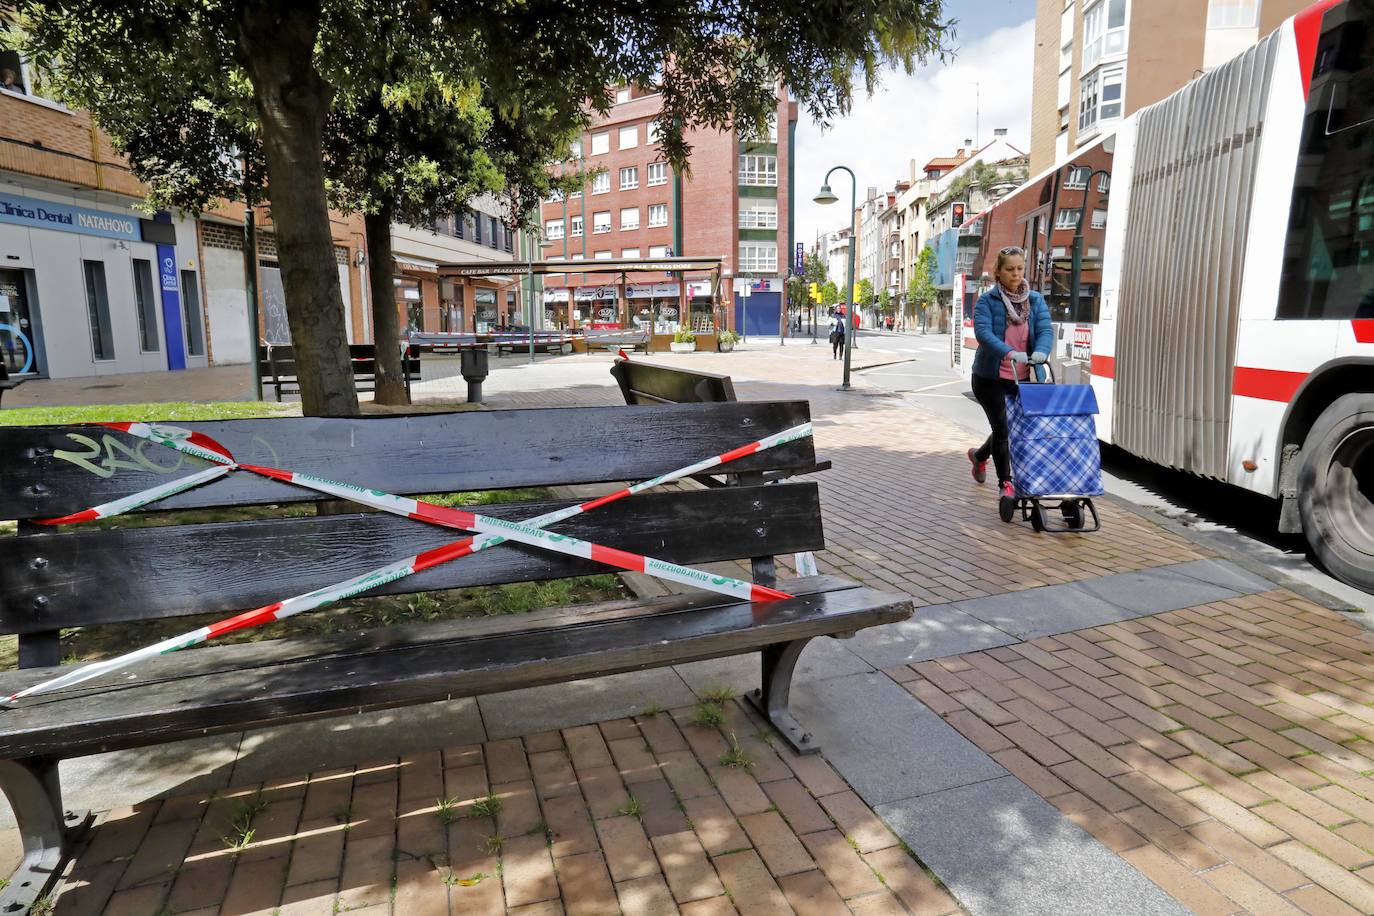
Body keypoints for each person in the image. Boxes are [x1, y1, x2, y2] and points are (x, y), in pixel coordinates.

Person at [967, 247, 1053, 518]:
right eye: (1009, 269)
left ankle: (980, 456)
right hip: (989, 377)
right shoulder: (987, 301)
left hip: (1022, 377)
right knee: (1003, 428)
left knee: (1010, 427)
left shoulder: (1035, 301)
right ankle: (1006, 484)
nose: (1015, 274)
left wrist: (1041, 351)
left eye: (1019, 268)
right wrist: (1008, 352)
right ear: (999, 272)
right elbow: (982, 333)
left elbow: (1045, 330)